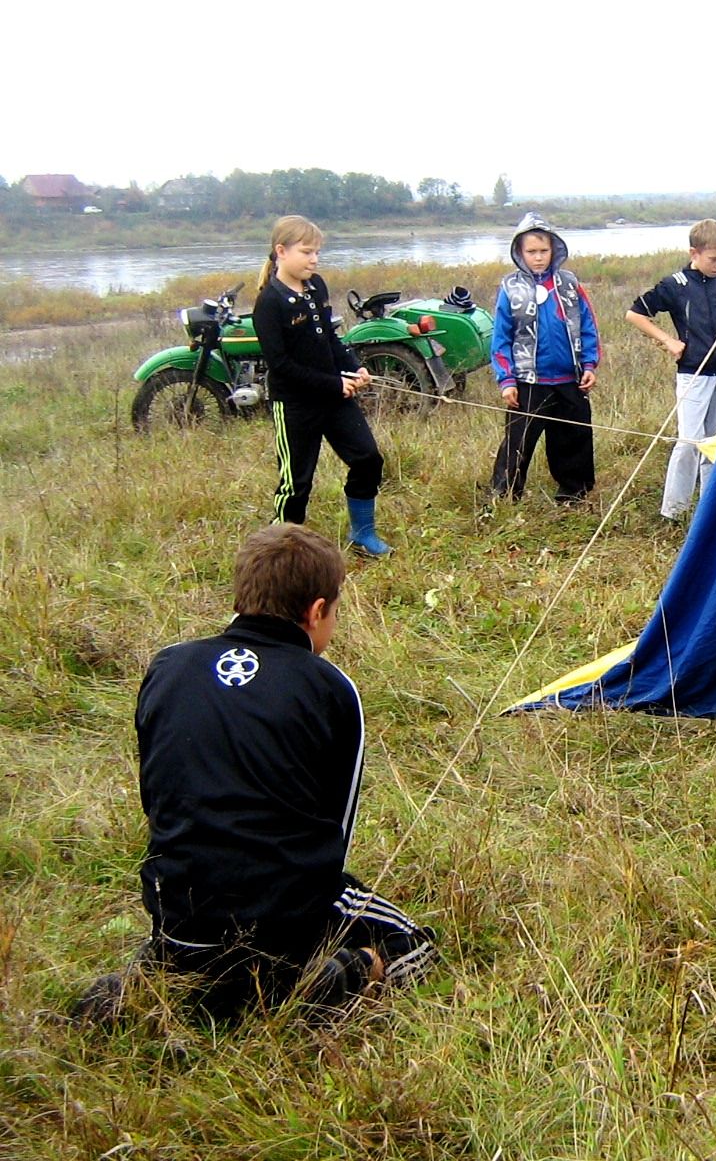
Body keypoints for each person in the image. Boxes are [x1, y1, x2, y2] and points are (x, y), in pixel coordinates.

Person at [76, 525, 439, 1022]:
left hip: (178, 909)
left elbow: (157, 799)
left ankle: (167, 975)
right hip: (283, 928)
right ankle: (327, 978)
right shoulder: (331, 687)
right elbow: (333, 838)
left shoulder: (168, 666)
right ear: (317, 612)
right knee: (414, 943)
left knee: (194, 935)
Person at [252, 216, 389, 556]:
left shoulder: (317, 287)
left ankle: (362, 534)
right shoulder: (268, 302)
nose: (314, 260)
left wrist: (354, 367)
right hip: (295, 404)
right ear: (281, 251)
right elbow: (280, 366)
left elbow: (329, 337)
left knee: (368, 458)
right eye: (307, 252)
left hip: (333, 396)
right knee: (297, 483)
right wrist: (332, 384)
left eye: (317, 252)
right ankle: (280, 553)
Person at [625, 219, 716, 522]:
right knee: (689, 441)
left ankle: (710, 506)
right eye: (714, 259)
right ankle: (673, 512)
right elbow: (634, 314)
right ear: (694, 252)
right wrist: (668, 341)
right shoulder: (674, 285)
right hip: (693, 374)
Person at [488, 213, 601, 503]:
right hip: (528, 382)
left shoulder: (569, 284)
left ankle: (574, 494)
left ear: (554, 250)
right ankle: (505, 495)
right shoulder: (510, 288)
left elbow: (588, 326)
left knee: (572, 439)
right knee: (518, 442)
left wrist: (589, 365)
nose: (538, 258)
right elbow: (501, 339)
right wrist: (507, 380)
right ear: (519, 253)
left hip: (569, 379)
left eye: (543, 251)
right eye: (531, 252)